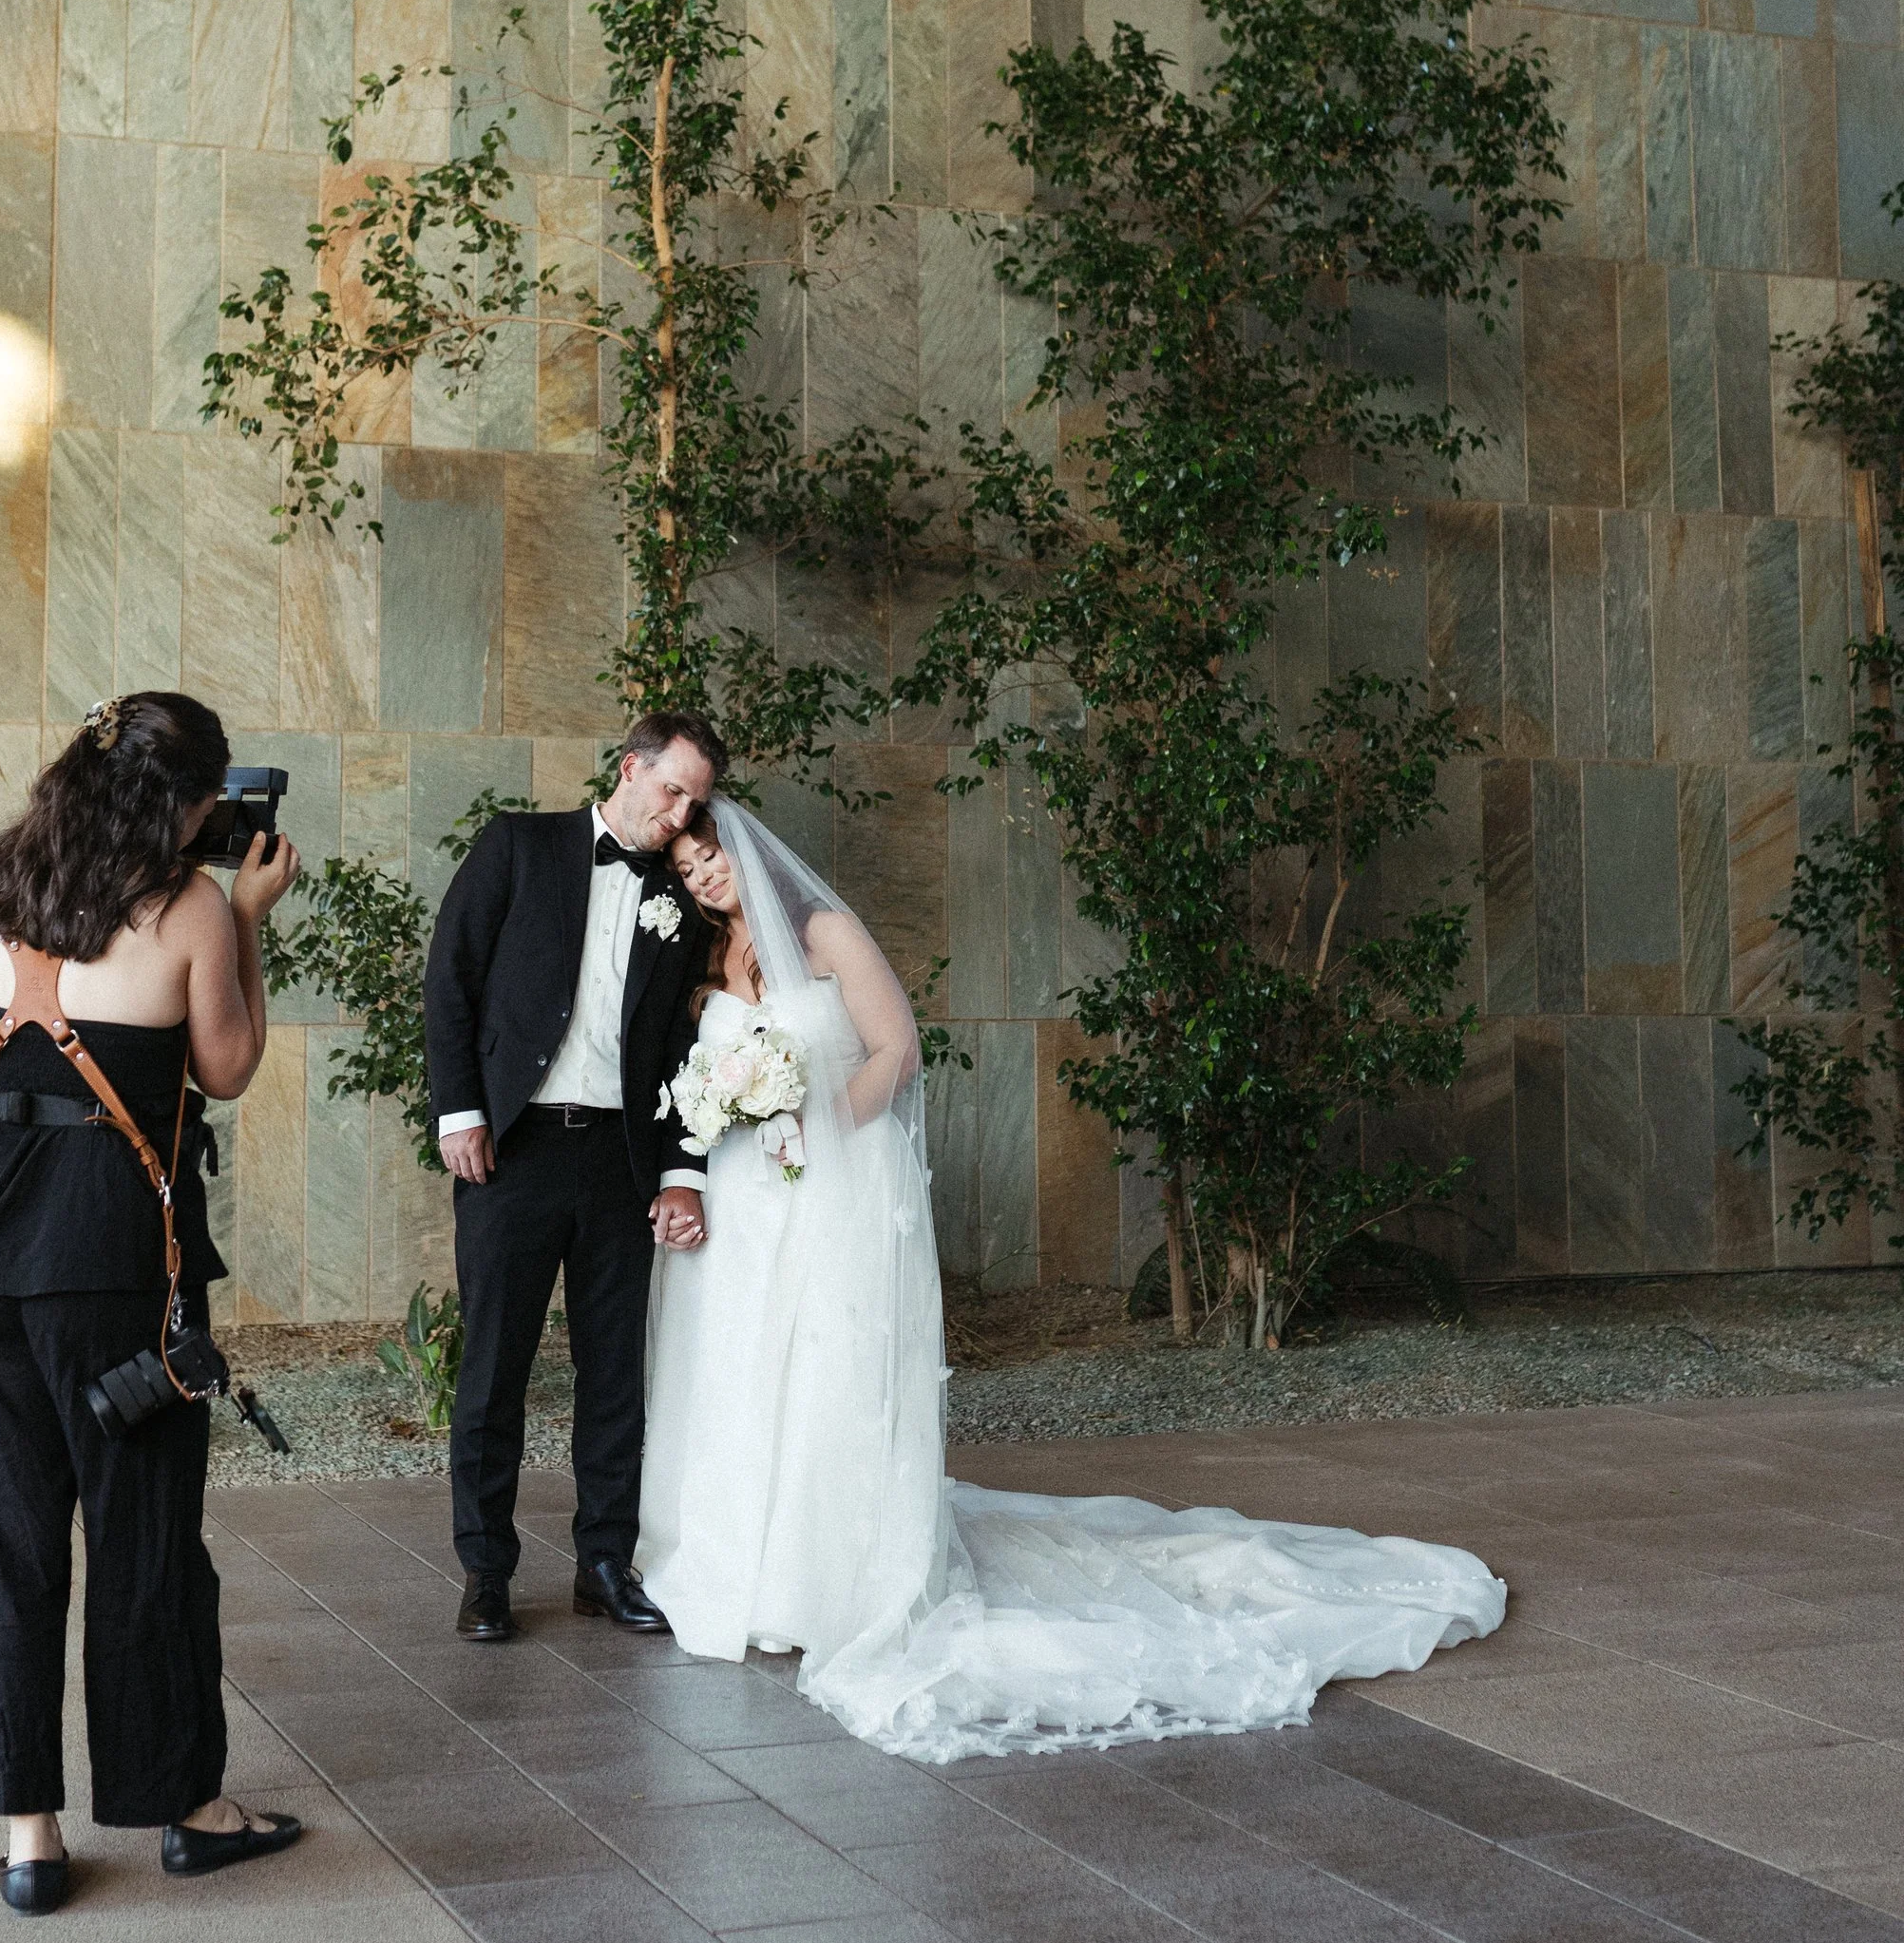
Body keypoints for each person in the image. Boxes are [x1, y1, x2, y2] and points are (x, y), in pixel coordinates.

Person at [638, 800, 1507, 1757]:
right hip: (748, 1204)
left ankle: (828, 1578)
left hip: (836, 1186)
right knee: (748, 1374)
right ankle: (750, 1573)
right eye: (685, 866)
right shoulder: (699, 958)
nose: (704, 874)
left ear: (745, 848)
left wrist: (819, 1127)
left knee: (832, 1371)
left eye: (711, 853)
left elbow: (897, 1048)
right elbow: (690, 1090)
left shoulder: (824, 933)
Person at [0, 691, 305, 1910]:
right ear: (187, 804)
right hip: (109, 1268)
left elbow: (26, 1040)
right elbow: (227, 1068)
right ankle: (188, 1808)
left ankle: (30, 1841)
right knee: (141, 1544)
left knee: (5, 1544)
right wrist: (244, 919)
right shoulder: (189, 904)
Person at [422, 711, 719, 1642]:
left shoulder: (681, 898)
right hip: (511, 1151)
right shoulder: (519, 844)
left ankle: (603, 1564)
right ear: (630, 768)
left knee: (614, 1375)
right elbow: (450, 978)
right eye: (670, 790)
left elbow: (680, 1042)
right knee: (493, 1368)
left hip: (618, 1161)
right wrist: (460, 1110)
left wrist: (680, 1169)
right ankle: (485, 1572)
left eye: (695, 803)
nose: (679, 815)